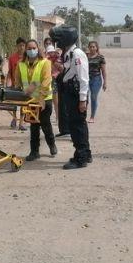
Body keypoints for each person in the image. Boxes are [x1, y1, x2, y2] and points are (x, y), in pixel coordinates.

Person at [49, 25, 90, 169]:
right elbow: (68, 69)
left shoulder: (77, 54)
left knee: (76, 126)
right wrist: (60, 67)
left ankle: (80, 158)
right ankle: (86, 153)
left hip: (76, 94)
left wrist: (82, 100)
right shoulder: (69, 54)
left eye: (59, 39)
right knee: (79, 125)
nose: (57, 42)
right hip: (71, 93)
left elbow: (84, 78)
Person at [15, 40, 57, 161]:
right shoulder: (21, 64)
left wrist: (41, 98)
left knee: (45, 124)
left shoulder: (45, 63)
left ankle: (51, 143)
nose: (31, 50)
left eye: (34, 48)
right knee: (33, 126)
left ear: (38, 49)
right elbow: (18, 81)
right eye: (29, 48)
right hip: (30, 100)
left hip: (44, 99)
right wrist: (17, 93)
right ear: (26, 50)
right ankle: (34, 151)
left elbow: (46, 80)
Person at [7, 37, 27, 130]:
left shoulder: (28, 58)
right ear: (17, 46)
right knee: (13, 103)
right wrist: (8, 83)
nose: (21, 47)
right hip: (14, 84)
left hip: (25, 85)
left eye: (23, 45)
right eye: (20, 46)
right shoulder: (12, 58)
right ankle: (14, 119)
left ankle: (21, 123)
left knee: (24, 104)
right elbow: (9, 72)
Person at [86, 41, 107, 123]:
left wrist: (105, 82)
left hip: (96, 79)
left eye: (93, 47)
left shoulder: (100, 57)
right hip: (86, 79)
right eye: (90, 47)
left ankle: (92, 117)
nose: (92, 48)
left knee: (93, 97)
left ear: (97, 48)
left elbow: (104, 71)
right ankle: (83, 115)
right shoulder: (85, 56)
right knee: (85, 97)